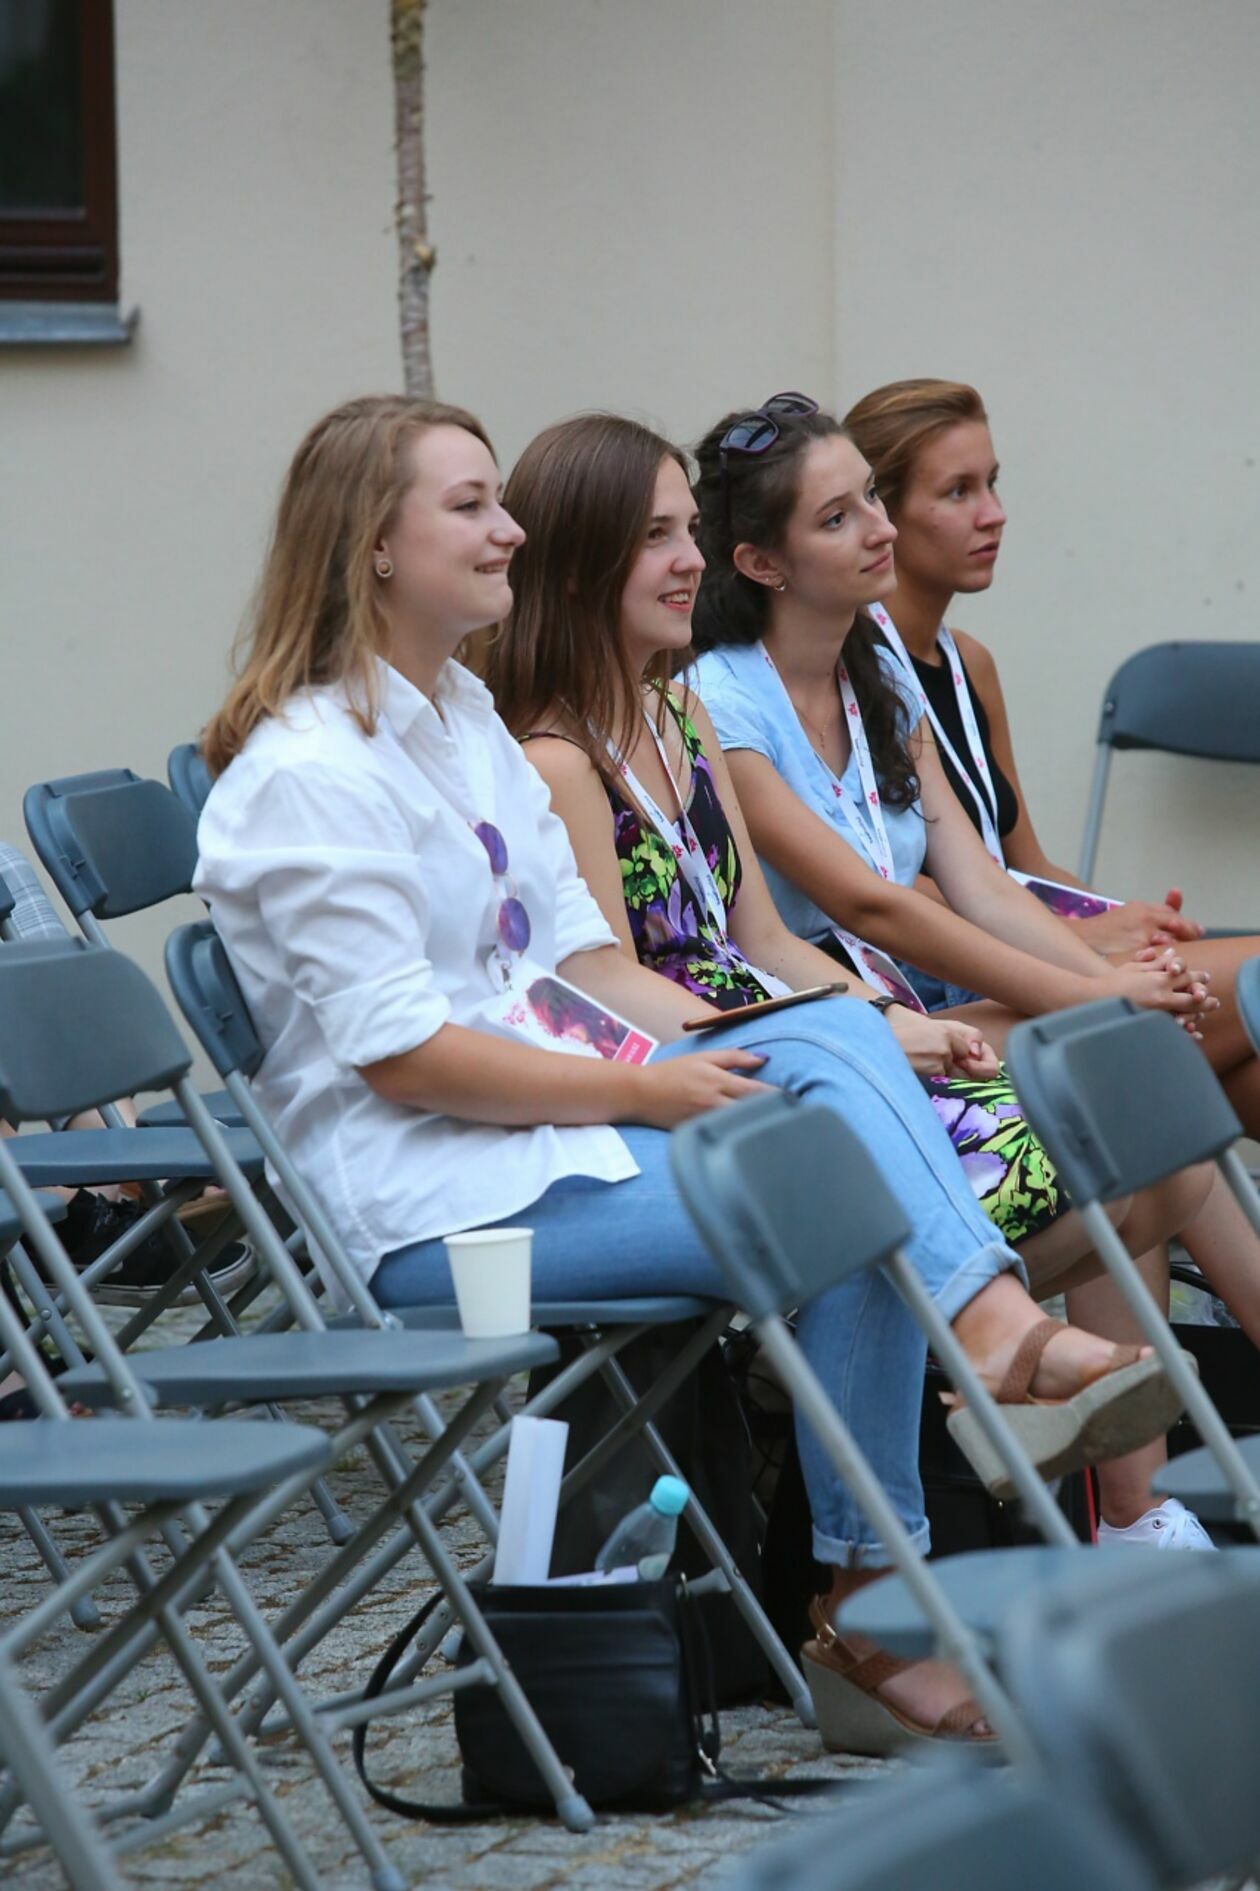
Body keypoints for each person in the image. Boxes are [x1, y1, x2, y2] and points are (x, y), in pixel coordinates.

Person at [195, 395, 1184, 1753]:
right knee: (841, 1182)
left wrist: (747, 1048)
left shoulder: (460, 714)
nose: (510, 528)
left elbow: (585, 965)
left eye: (503, 499)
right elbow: (405, 1056)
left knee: (836, 1056)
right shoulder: (308, 772)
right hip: (437, 1205)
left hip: (557, 1135)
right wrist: (653, 1088)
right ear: (372, 543)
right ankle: (893, 1564)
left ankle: (957, 1428)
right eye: (471, 504)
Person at [688, 394, 1250, 1548]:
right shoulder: (724, 698)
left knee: (1141, 1077)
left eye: (871, 501)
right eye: (840, 517)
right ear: (761, 563)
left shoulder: (873, 669)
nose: (878, 530)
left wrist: (1114, 987)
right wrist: (1101, 992)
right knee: (1133, 1077)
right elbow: (870, 902)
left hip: (917, 1017)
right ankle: (1132, 1511)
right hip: (839, 1038)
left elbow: (983, 879)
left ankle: (1134, 1517)